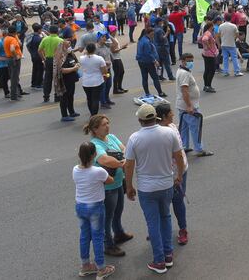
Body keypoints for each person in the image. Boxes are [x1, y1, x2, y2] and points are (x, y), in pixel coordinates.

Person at [123, 104, 186, 274]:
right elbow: (179, 155)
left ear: (140, 120)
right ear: (156, 117)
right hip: (167, 185)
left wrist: (129, 187)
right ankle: (168, 255)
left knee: (153, 223)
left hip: (147, 188)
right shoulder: (169, 133)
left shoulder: (134, 138)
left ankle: (159, 261)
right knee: (165, 217)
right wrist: (179, 175)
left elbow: (128, 165)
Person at [84, 115, 132, 258]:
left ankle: (119, 233)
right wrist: (122, 162)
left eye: (108, 123)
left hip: (118, 181)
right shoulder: (95, 144)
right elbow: (105, 160)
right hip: (107, 188)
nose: (107, 126)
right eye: (104, 124)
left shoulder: (111, 137)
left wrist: (120, 159)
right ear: (95, 129)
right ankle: (108, 245)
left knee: (118, 211)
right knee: (107, 217)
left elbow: (125, 149)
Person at [73, 141, 116, 279]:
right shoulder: (98, 171)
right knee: (98, 237)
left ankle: (85, 266)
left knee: (84, 236)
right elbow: (110, 180)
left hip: (80, 206)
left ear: (79, 155)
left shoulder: (75, 169)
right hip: (95, 207)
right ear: (94, 154)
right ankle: (101, 268)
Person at [155, 104, 190, 247]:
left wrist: (179, 175)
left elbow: (179, 156)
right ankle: (158, 230)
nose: (173, 115)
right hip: (165, 173)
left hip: (176, 172)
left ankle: (183, 229)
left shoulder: (170, 129)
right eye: (170, 113)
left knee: (177, 201)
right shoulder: (159, 131)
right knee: (161, 204)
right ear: (163, 117)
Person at [175, 52, 213, 157]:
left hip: (182, 105)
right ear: (182, 61)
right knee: (195, 127)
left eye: (192, 61)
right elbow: (185, 91)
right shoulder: (184, 74)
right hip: (188, 106)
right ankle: (199, 149)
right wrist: (189, 106)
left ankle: (184, 146)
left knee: (184, 127)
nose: (191, 63)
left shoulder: (183, 71)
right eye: (188, 61)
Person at [55, 39, 81, 121]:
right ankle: (64, 115)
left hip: (71, 80)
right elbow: (61, 70)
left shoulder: (70, 54)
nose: (69, 46)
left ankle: (71, 112)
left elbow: (77, 62)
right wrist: (73, 68)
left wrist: (77, 65)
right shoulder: (60, 56)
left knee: (70, 96)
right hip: (64, 80)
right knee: (64, 98)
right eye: (67, 45)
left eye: (69, 45)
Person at [80, 42, 109, 116]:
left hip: (86, 82)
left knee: (89, 99)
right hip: (97, 81)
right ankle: (94, 115)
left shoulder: (82, 58)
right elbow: (104, 71)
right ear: (94, 49)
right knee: (95, 99)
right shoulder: (99, 59)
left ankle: (92, 114)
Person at [136, 27, 166, 97]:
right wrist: (155, 61)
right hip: (148, 62)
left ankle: (147, 93)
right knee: (155, 77)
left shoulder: (141, 40)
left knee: (144, 78)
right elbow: (148, 53)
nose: (153, 36)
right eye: (152, 34)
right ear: (148, 34)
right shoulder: (146, 42)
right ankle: (160, 92)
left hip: (141, 61)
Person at [38, 25, 62, 102]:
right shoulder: (60, 40)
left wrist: (44, 59)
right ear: (57, 31)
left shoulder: (45, 39)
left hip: (48, 60)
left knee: (47, 79)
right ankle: (57, 96)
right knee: (57, 79)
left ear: (49, 31)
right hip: (57, 60)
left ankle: (46, 96)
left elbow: (39, 50)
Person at [4, 25, 26, 101]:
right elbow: (12, 49)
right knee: (14, 78)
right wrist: (15, 56)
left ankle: (16, 93)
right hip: (14, 59)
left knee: (13, 76)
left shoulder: (6, 38)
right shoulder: (12, 39)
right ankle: (14, 95)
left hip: (9, 59)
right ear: (15, 32)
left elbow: (18, 44)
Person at [96, 33, 115, 109]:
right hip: (102, 71)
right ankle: (103, 102)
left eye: (105, 37)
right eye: (103, 37)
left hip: (108, 69)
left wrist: (109, 36)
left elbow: (115, 43)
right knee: (103, 86)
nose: (104, 38)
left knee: (109, 84)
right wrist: (105, 62)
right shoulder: (96, 48)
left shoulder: (106, 45)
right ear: (98, 38)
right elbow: (95, 59)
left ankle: (107, 99)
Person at [108, 26, 128, 94]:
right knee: (117, 74)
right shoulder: (110, 39)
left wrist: (121, 47)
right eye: (115, 31)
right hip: (115, 59)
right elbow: (113, 51)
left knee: (122, 72)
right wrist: (122, 48)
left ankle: (119, 87)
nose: (116, 32)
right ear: (111, 31)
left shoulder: (114, 38)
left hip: (118, 57)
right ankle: (115, 89)